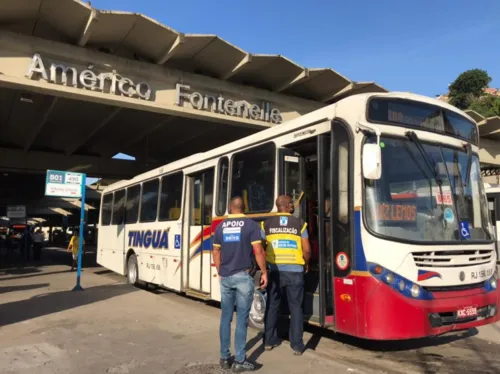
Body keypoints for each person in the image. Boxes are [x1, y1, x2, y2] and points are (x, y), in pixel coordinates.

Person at [213, 197, 268, 372]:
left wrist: (220, 271)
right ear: (245, 207)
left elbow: (216, 251)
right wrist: (264, 272)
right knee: (242, 320)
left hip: (226, 277)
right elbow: (258, 251)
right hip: (243, 277)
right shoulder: (251, 225)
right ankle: (239, 360)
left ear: (230, 207)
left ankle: (224, 358)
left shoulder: (220, 226)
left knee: (226, 317)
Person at [262, 195, 312, 356]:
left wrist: (264, 267)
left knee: (272, 306)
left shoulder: (266, 224)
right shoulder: (300, 224)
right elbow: (307, 249)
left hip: (274, 270)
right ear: (288, 206)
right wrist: (306, 263)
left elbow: (260, 248)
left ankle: (268, 341)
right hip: (295, 271)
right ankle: (297, 345)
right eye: (292, 204)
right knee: (296, 307)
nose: (293, 206)